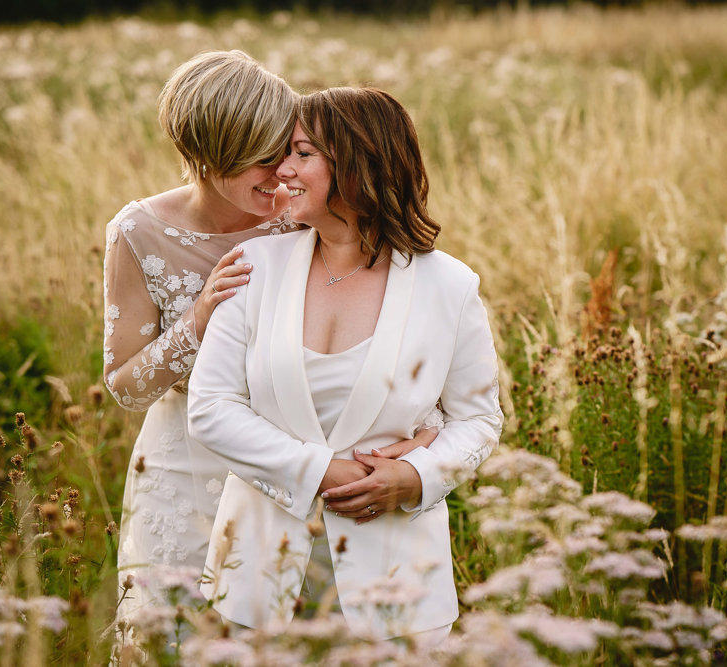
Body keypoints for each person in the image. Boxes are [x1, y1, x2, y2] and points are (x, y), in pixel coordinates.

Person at [101, 53, 435, 629]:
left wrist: (423, 432)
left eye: (287, 150)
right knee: (174, 637)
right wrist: (198, 320)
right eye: (261, 157)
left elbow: (384, 318)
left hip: (296, 468)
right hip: (184, 469)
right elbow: (126, 387)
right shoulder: (139, 232)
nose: (280, 171)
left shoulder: (303, 214)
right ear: (211, 153)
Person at [188, 87, 503, 645]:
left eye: (303, 153)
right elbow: (210, 408)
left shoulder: (449, 286)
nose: (282, 170)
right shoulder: (254, 267)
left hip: (396, 579)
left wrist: (416, 477)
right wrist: (317, 472)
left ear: (359, 164)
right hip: (256, 577)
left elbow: (478, 420)